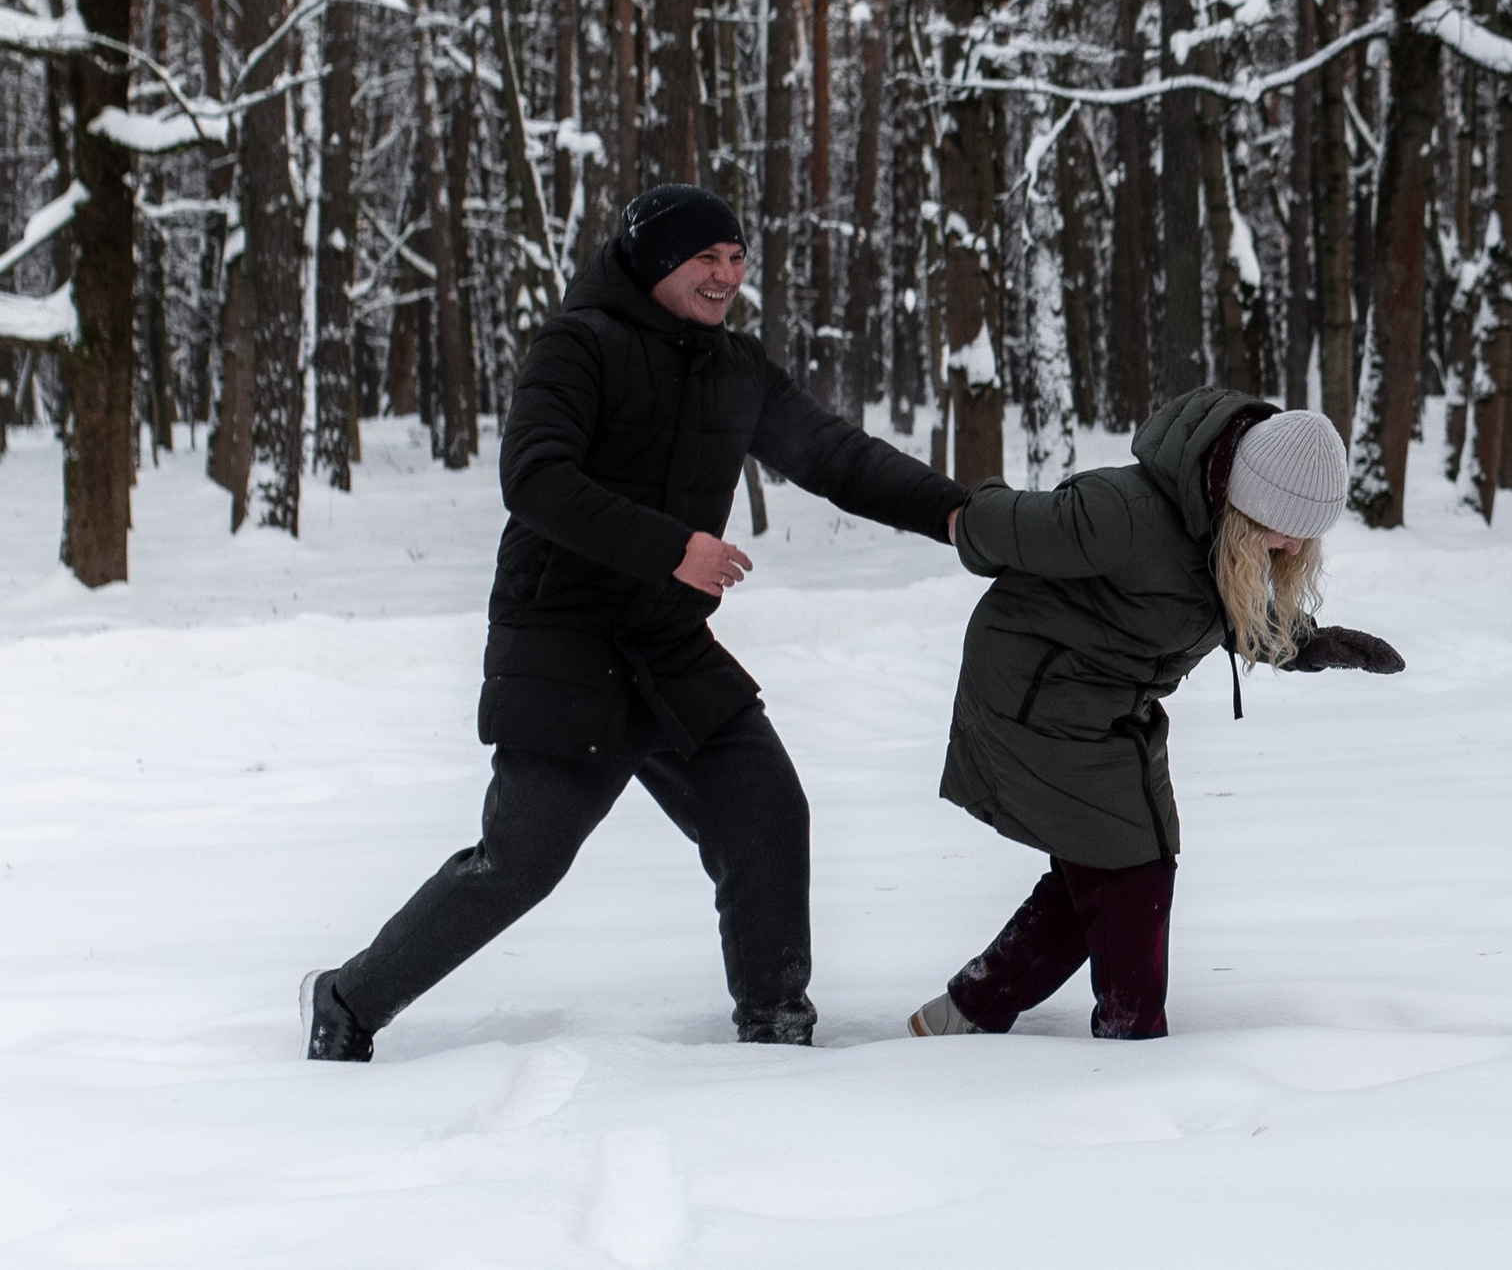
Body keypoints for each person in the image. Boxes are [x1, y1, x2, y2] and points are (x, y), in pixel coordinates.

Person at [302, 184, 967, 1061]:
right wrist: (672, 549)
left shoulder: (736, 369)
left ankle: (775, 1021)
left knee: (765, 810)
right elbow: (533, 478)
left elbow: (836, 455)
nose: (727, 276)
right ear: (656, 262)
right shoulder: (579, 346)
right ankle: (347, 998)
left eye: (736, 259)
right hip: (566, 638)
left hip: (666, 643)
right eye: (707, 260)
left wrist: (957, 515)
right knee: (522, 861)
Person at [907, 388, 1404, 1042]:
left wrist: (1310, 643)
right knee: (1132, 863)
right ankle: (1131, 1037)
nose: (1291, 546)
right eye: (1287, 525)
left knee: (1107, 864)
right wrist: (959, 513)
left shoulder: (1225, 532)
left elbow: (1221, 604)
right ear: (1249, 498)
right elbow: (1003, 524)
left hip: (1106, 701)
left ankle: (971, 1008)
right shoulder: (1125, 513)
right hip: (1032, 689)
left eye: (1307, 533)